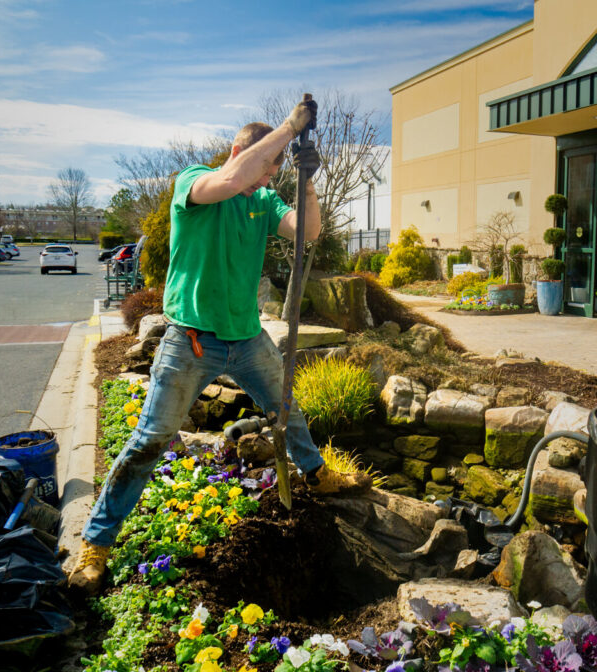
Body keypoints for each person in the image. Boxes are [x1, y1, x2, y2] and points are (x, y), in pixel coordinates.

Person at [68, 96, 371, 595]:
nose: (262, 182)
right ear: (237, 151)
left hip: (247, 339)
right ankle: (97, 545)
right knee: (148, 441)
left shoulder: (262, 200)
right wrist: (290, 128)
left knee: (287, 410)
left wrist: (307, 179)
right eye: (262, 170)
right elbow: (233, 179)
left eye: (272, 175)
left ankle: (316, 475)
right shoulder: (196, 182)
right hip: (192, 343)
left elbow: (308, 231)